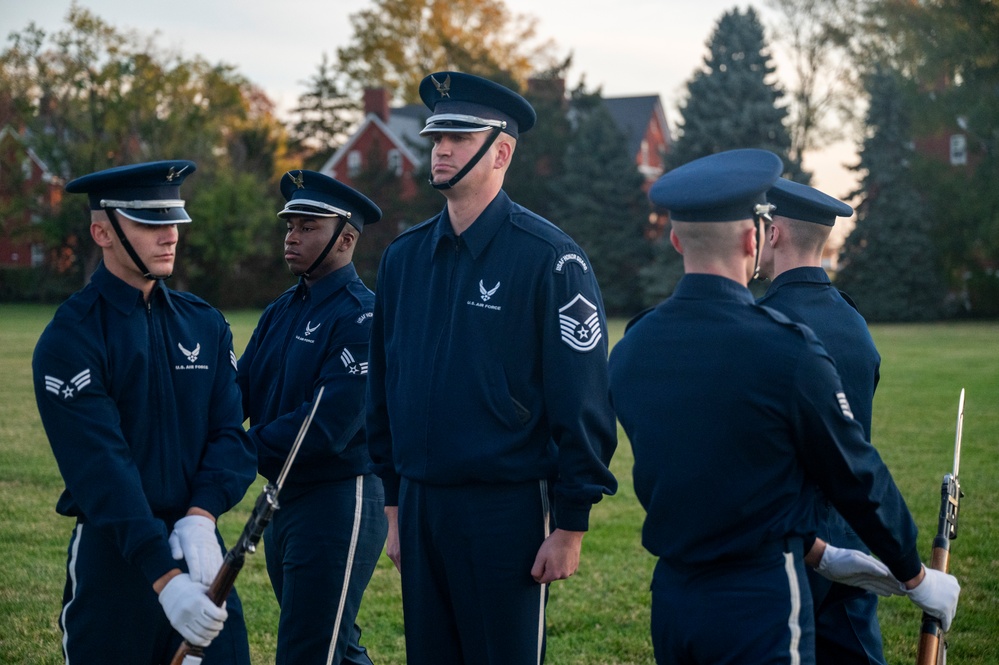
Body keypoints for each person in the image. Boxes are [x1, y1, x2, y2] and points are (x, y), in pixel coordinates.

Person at [607, 149, 960, 665]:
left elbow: (706, 475)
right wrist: (914, 574)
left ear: (676, 239)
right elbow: (855, 472)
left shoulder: (633, 348)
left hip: (675, 598)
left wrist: (819, 550)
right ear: (753, 239)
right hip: (760, 595)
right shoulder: (785, 350)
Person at [365, 71, 618, 665]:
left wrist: (571, 522)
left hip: (505, 510)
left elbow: (582, 397)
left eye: (457, 135)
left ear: (501, 151)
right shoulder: (403, 260)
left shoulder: (550, 258)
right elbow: (384, 388)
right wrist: (395, 505)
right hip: (422, 506)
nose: (442, 148)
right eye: (435, 137)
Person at [32, 160, 257, 664]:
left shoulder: (204, 323)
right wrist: (164, 578)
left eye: (174, 220)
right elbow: (101, 470)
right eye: (151, 223)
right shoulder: (73, 337)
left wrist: (201, 517)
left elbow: (230, 435)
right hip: (116, 562)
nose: (170, 235)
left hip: (200, 554)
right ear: (102, 232)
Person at [237, 170, 388, 665]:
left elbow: (323, 427)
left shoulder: (363, 316)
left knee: (308, 649)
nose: (292, 236)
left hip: (339, 500)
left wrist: (235, 450)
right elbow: (237, 390)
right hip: (285, 498)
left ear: (345, 238)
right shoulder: (282, 309)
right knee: (333, 647)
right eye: (290, 226)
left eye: (308, 227)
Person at [758, 177, 887, 665]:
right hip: (852, 538)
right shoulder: (854, 322)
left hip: (792, 548)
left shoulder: (765, 322)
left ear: (773, 233)